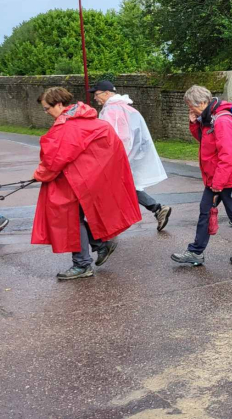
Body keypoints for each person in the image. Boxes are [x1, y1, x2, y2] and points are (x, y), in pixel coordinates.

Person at [31, 87, 141, 280]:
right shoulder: (90, 120)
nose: (46, 112)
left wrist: (39, 174)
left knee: (72, 219)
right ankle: (100, 244)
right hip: (91, 180)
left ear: (58, 104)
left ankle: (82, 264)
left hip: (76, 183)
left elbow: (54, 159)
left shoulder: (67, 126)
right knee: (77, 217)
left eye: (47, 108)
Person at [172, 86, 232, 266]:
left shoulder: (222, 120)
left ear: (203, 103)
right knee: (206, 212)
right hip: (216, 178)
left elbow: (227, 155)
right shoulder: (209, 117)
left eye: (192, 106)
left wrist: (218, 184)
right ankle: (196, 252)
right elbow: (205, 141)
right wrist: (194, 122)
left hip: (225, 178)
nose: (191, 109)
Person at [90, 80, 172, 231]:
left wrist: (110, 158)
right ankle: (157, 209)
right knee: (125, 186)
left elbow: (115, 137)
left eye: (97, 94)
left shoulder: (111, 110)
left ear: (107, 93)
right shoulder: (126, 108)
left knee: (117, 187)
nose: (95, 98)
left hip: (117, 157)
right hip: (130, 154)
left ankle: (108, 228)